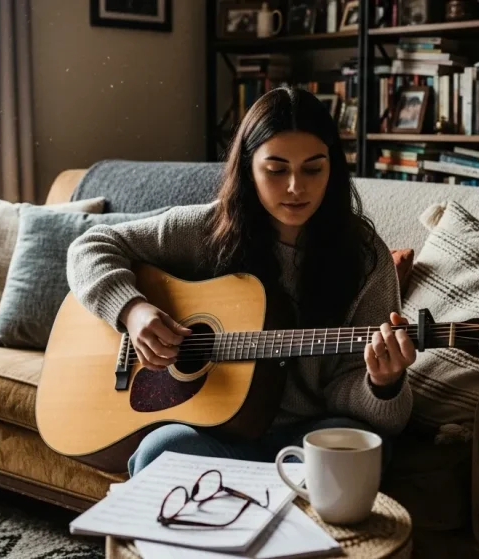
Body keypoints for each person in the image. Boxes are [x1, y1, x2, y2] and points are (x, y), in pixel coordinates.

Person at [66, 87, 416, 476]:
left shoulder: (365, 257)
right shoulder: (204, 229)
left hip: (307, 436)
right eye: (277, 169)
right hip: (215, 433)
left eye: (313, 169)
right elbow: (90, 247)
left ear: (333, 168)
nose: (296, 187)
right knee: (159, 451)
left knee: (363, 451)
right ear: (249, 168)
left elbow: (375, 413)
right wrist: (132, 311)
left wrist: (382, 383)